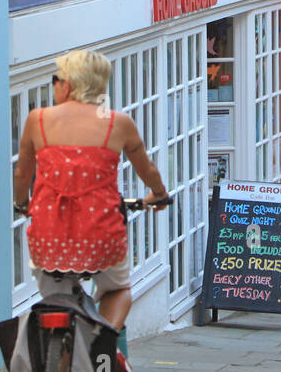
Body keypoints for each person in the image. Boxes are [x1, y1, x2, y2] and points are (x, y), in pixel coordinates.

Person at [12, 49, 168, 332]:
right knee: (117, 289)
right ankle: (102, 344)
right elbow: (148, 170)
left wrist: (22, 204)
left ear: (68, 85)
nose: (54, 86)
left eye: (55, 80)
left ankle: (59, 353)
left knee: (52, 293)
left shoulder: (38, 119)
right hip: (100, 233)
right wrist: (158, 194)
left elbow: (22, 173)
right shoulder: (118, 123)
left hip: (49, 236)